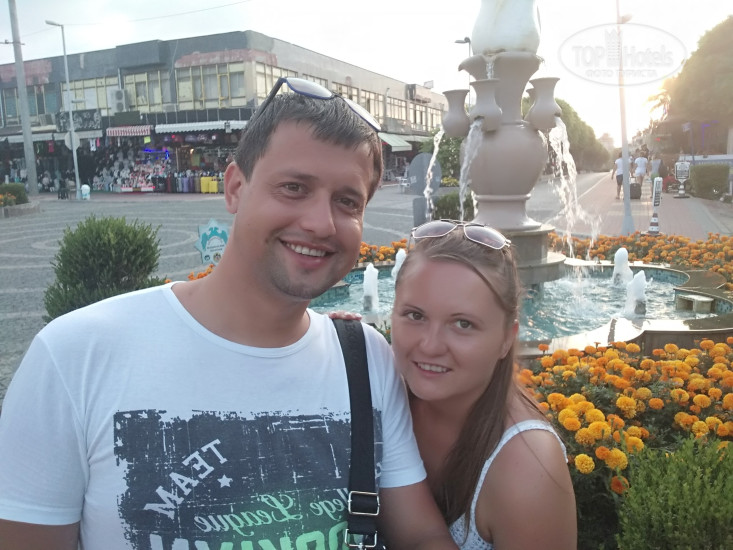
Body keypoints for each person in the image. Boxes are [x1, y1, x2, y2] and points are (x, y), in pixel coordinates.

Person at [0, 78, 456, 550]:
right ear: (235, 187)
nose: (321, 223)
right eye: (294, 188)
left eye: (347, 201)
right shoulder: (76, 356)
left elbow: (421, 537)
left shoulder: (366, 360)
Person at [390, 220, 577, 549]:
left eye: (463, 323)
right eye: (415, 315)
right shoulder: (380, 392)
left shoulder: (526, 468)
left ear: (507, 338)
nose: (430, 346)